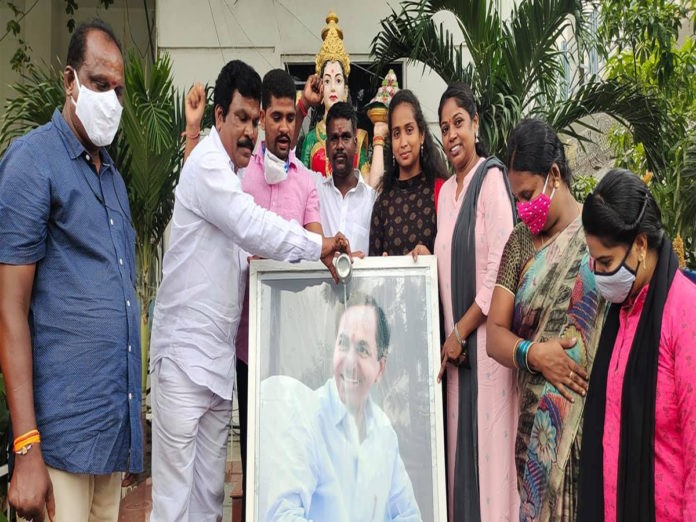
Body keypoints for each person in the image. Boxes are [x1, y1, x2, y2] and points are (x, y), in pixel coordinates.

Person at [149, 59, 349, 522]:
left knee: (206, 504)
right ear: (220, 116)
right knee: (173, 507)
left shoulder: (231, 170)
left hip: (219, 367)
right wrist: (318, 245)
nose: (249, 131)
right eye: (241, 118)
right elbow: (252, 224)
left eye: (253, 122)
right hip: (183, 362)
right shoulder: (209, 169)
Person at [0, 20, 141, 521]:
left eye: (117, 90)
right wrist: (26, 448)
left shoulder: (115, 183)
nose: (111, 99)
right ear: (69, 81)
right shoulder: (32, 162)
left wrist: (129, 437)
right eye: (99, 84)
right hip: (57, 443)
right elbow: (10, 310)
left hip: (107, 441)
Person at [487, 118, 608, 521]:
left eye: (527, 195)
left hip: (589, 424)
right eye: (517, 199)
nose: (523, 208)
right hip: (534, 434)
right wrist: (534, 354)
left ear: (554, 176)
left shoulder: (598, 231)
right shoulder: (520, 240)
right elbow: (494, 336)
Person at [578, 169, 696, 522]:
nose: (598, 274)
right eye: (593, 261)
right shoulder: (623, 313)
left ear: (640, 245)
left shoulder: (684, 313)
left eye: (606, 262)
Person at [429, 82, 518, 521]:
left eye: (458, 123)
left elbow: (500, 268)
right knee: (460, 465)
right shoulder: (446, 193)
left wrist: (461, 331)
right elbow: (443, 261)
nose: (451, 135)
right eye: (444, 128)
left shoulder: (492, 179)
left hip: (486, 350)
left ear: (476, 123)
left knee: (491, 463)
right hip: (457, 356)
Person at [258, 294, 421, 521]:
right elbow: (281, 515)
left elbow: (409, 515)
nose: (350, 362)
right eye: (343, 344)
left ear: (380, 369)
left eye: (363, 349)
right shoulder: (306, 418)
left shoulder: (384, 432)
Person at [296, 11, 386, 185]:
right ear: (320, 90)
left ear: (345, 90)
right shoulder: (311, 140)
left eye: (338, 80)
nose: (332, 88)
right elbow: (302, 184)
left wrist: (379, 137)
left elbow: (371, 187)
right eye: (327, 81)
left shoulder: (358, 138)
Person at [369, 89, 448, 256]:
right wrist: (382, 266)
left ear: (422, 135)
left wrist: (430, 259)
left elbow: (454, 259)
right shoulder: (383, 205)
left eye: (409, 130)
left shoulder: (441, 192)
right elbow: (373, 273)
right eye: (397, 134)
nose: (403, 142)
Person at [314, 101, 376, 254]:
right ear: (327, 146)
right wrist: (303, 106)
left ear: (356, 144)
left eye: (346, 137)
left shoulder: (372, 200)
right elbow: (287, 161)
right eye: (334, 138)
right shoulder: (315, 190)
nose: (340, 145)